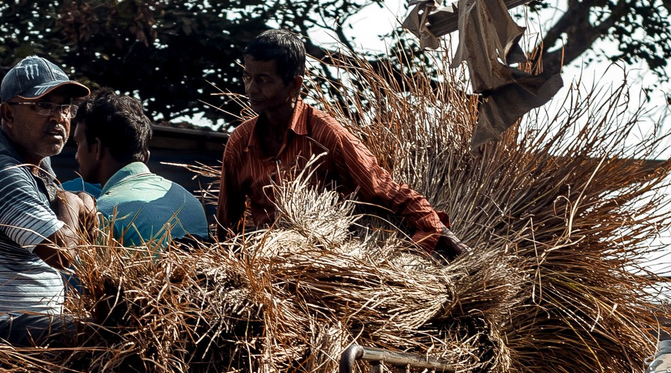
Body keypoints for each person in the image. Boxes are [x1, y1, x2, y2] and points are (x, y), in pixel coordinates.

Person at [221, 29, 465, 260]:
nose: (251, 89)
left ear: (294, 84)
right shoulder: (240, 142)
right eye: (247, 77)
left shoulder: (325, 134)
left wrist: (432, 225)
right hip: (264, 258)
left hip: (322, 256)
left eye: (263, 80)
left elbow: (379, 185)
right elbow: (226, 221)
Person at [0, 56, 97, 344]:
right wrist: (72, 201)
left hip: (21, 321)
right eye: (43, 106)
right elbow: (61, 253)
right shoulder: (3, 172)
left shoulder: (37, 162)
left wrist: (74, 199)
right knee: (105, 335)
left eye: (65, 108)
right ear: (9, 114)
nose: (58, 118)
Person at [69, 92, 206, 245]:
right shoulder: (191, 203)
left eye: (78, 143)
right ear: (145, 156)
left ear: (97, 148)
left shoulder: (102, 216)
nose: (76, 156)